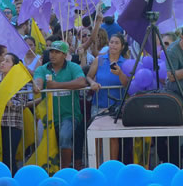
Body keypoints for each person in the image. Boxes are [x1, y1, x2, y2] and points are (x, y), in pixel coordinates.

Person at [33, 40, 87, 168]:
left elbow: (81, 82)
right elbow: (38, 81)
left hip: (69, 115)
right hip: (48, 117)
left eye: (57, 52)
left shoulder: (73, 67)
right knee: (44, 144)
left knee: (64, 136)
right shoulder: (42, 68)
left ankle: (65, 169)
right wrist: (37, 86)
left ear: (64, 54)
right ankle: (51, 170)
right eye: (51, 51)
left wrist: (57, 86)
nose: (53, 55)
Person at [86, 33, 129, 163]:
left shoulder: (126, 63)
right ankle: (96, 166)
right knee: (96, 137)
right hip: (99, 104)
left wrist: (120, 73)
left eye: (116, 43)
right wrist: (92, 83)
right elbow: (88, 76)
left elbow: (127, 84)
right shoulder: (99, 60)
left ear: (122, 46)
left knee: (113, 138)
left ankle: (113, 167)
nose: (113, 45)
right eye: (111, 42)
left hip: (116, 107)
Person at [0, 53, 30, 173]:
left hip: (12, 123)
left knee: (8, 157)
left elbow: (22, 103)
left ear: (14, 66)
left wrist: (4, 97)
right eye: (3, 60)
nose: (2, 63)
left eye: (7, 61)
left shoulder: (20, 82)